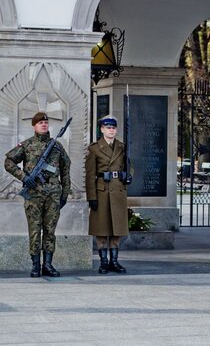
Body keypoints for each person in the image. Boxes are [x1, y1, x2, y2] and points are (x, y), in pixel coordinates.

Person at [4, 112, 71, 277]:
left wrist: (65, 193)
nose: (43, 125)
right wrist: (24, 177)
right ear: (34, 125)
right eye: (40, 123)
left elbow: (65, 169)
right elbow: (8, 162)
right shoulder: (27, 145)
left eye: (45, 123)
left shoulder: (57, 147)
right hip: (33, 195)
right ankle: (35, 265)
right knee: (34, 230)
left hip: (53, 195)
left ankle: (48, 264)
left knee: (50, 230)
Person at [85, 115, 129, 274]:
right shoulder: (94, 148)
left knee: (117, 229)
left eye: (113, 128)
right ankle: (104, 262)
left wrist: (128, 175)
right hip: (102, 191)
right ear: (102, 129)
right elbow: (90, 175)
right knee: (102, 229)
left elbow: (129, 165)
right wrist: (91, 197)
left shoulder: (122, 147)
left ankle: (114, 261)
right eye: (108, 128)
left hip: (117, 191)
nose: (111, 130)